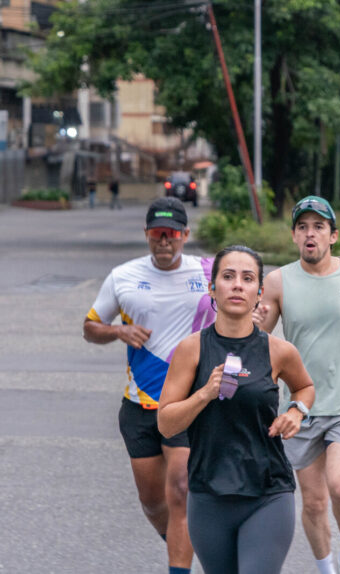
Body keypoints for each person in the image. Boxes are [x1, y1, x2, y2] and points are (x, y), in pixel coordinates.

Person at [157, 246, 316, 574]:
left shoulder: (278, 351)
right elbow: (166, 424)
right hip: (208, 494)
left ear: (259, 294)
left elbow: (305, 387)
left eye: (247, 279)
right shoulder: (191, 350)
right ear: (213, 287)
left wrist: (295, 412)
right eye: (228, 277)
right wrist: (204, 394)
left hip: (267, 492)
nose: (237, 285)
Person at [254, 196, 340, 574]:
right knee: (313, 503)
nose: (310, 233)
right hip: (300, 406)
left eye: (318, 227)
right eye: (302, 227)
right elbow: (257, 340)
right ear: (295, 237)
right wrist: (254, 318)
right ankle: (326, 569)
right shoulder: (278, 281)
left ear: (333, 236)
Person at [83, 197, 215, 574]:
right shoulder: (122, 276)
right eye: (157, 234)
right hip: (138, 406)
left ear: (185, 235)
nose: (164, 241)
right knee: (154, 503)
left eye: (171, 234)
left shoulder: (207, 271)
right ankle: (178, 542)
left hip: (185, 404)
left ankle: (180, 566)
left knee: (181, 489)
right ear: (146, 235)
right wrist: (117, 330)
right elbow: (90, 327)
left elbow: (243, 296)